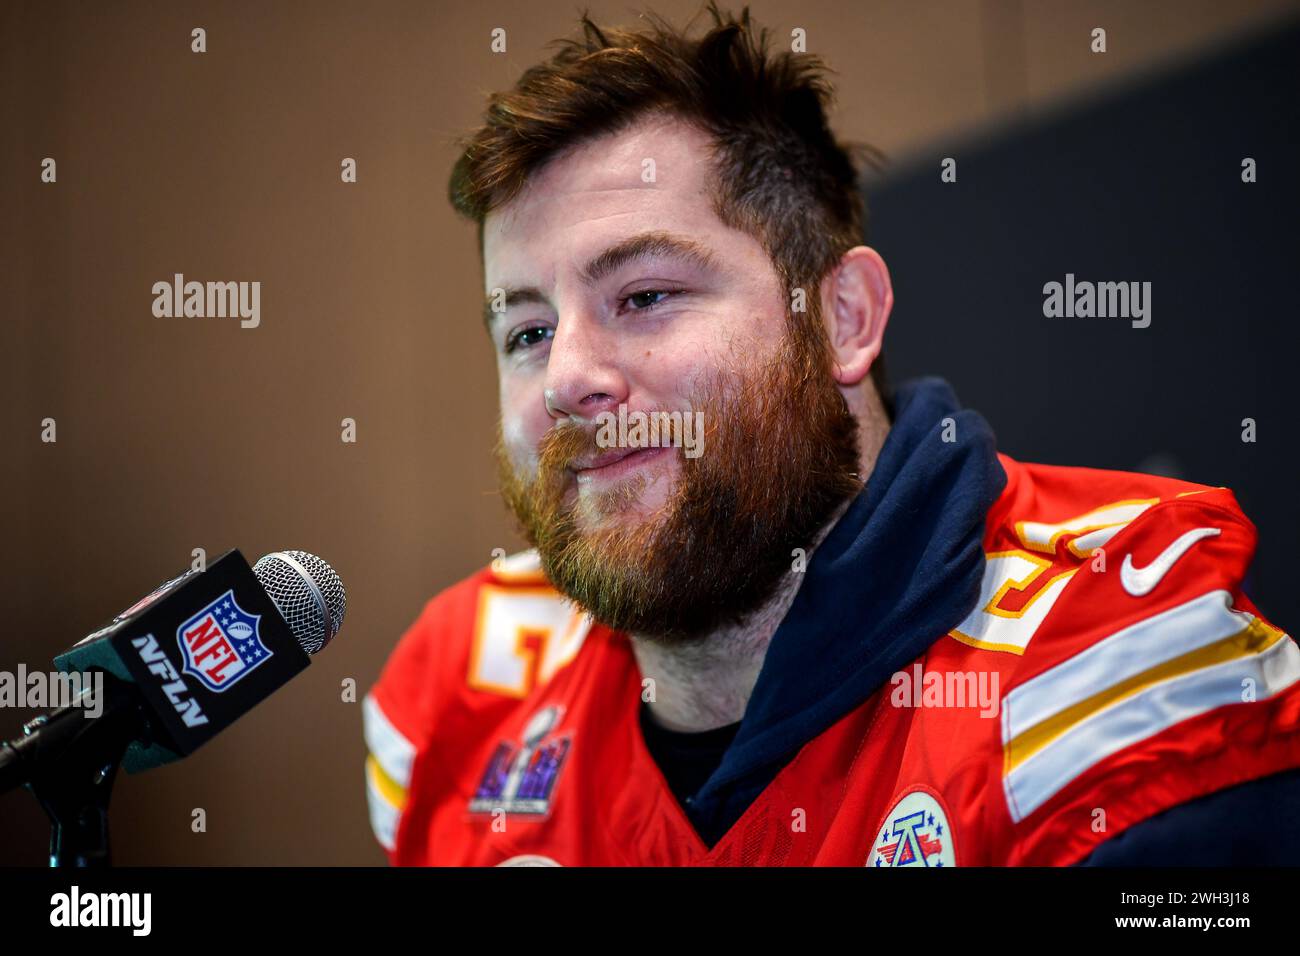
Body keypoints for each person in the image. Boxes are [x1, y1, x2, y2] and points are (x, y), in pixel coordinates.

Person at [362, 4, 1300, 866]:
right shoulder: (456, 698)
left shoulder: (1111, 647)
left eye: (644, 296)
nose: (567, 378)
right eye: (527, 331)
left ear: (844, 318)